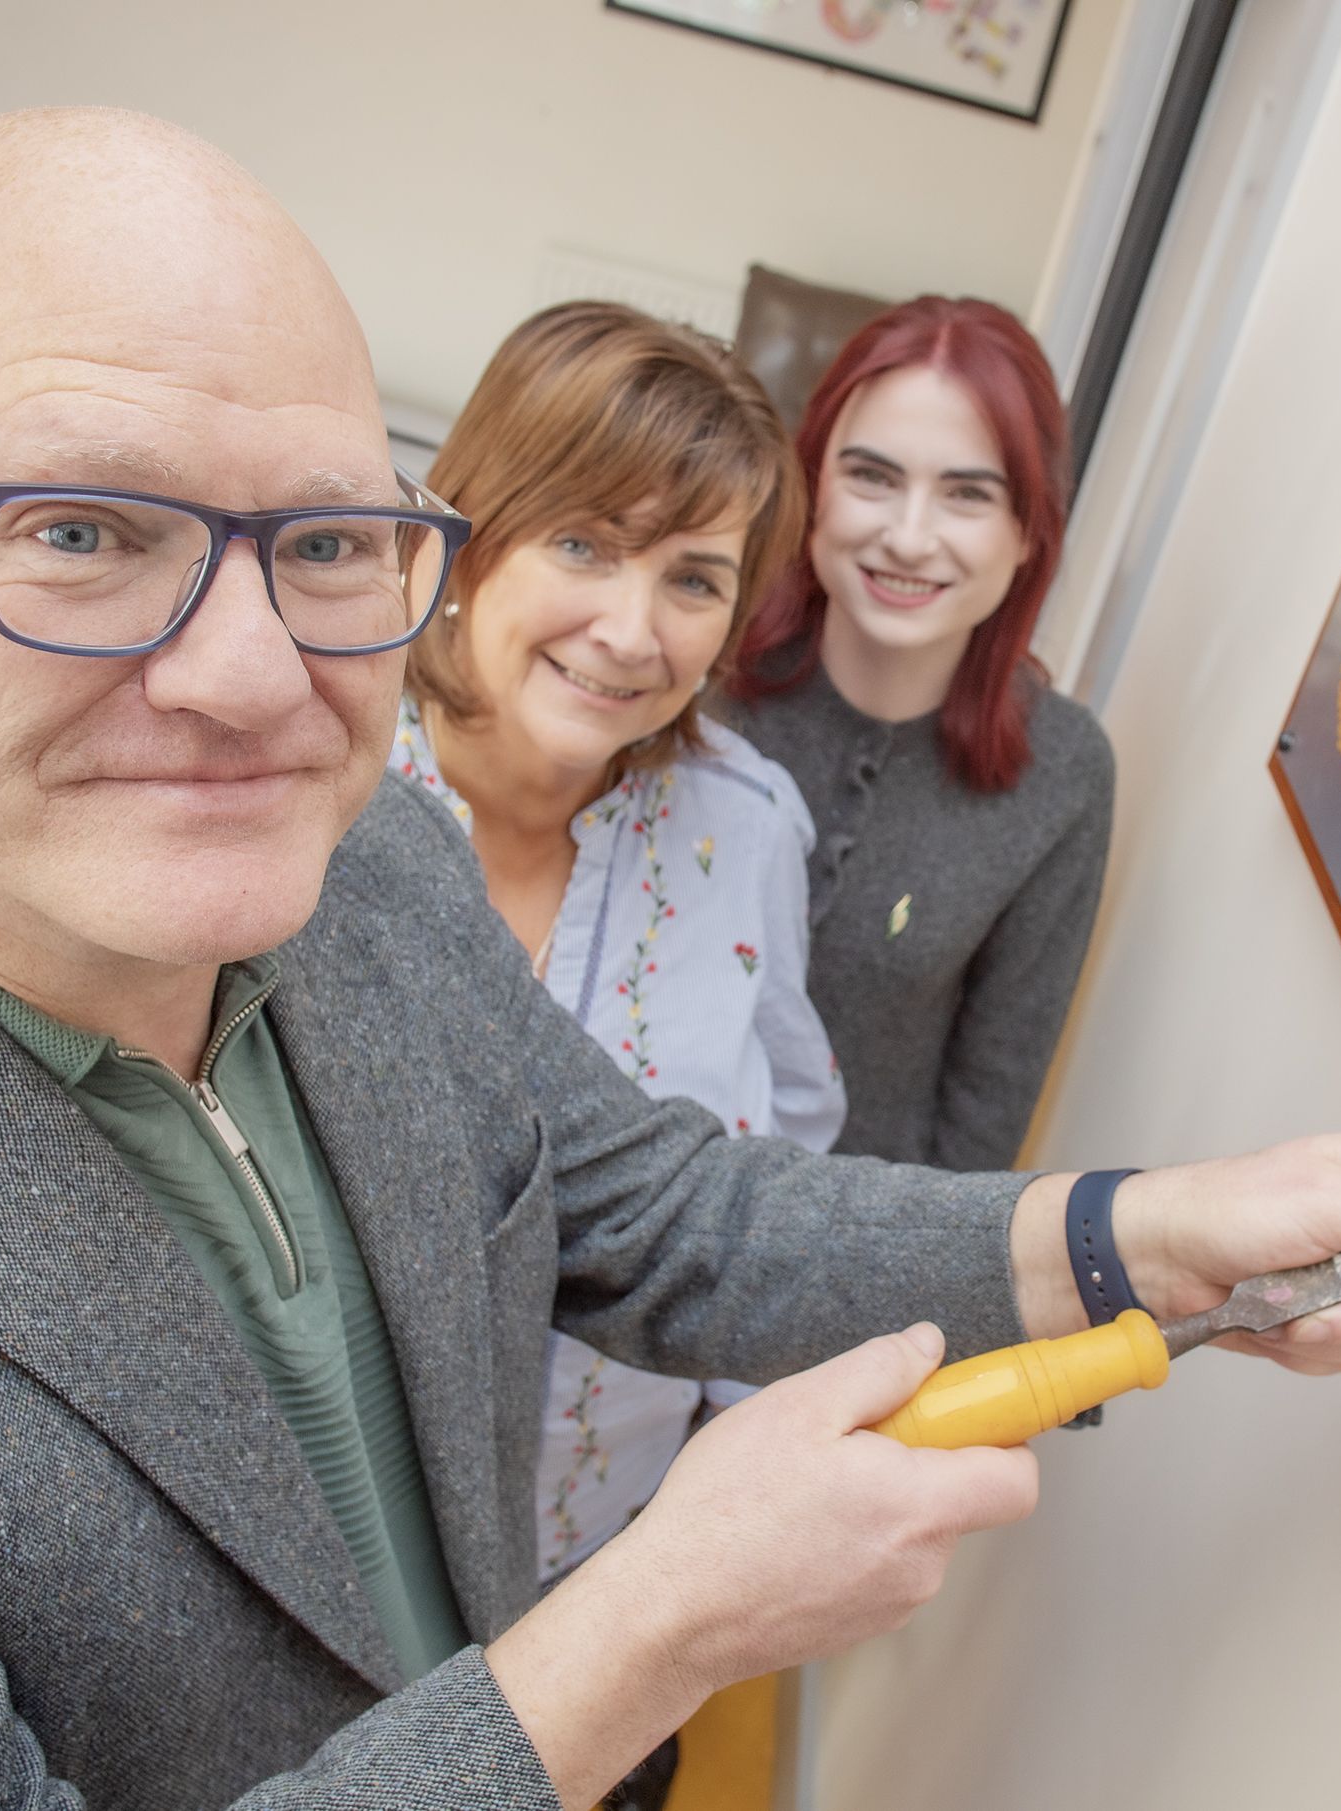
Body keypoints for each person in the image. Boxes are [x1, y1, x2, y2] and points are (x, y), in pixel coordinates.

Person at [0, 110, 1341, 1811]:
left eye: (330, 541)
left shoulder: (361, 870)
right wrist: (657, 1626)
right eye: (78, 528)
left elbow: (668, 1208)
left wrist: (1148, 1229)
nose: (254, 676)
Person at [389, 300, 841, 1584]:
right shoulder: (325, 778)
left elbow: (783, 1147)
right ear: (469, 538)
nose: (634, 632)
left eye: (693, 578)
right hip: (314, 1549)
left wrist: (733, 1467)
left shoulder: (745, 828)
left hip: (602, 1532)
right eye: (584, 543)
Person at [718, 297, 1112, 1170]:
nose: (907, 535)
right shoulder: (698, 674)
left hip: (848, 1277)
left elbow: (982, 1120)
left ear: (1026, 533)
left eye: (967, 494)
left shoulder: (1063, 776)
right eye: (871, 476)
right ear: (813, 483)